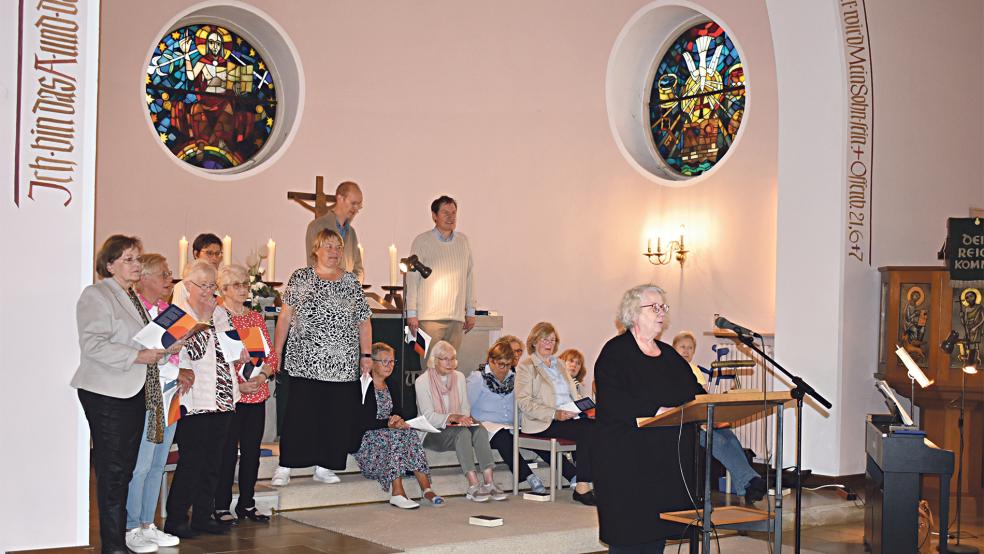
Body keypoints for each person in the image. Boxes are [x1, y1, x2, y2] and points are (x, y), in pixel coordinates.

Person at [71, 235, 174, 554]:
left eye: (138, 259)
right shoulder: (97, 294)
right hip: (106, 391)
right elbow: (93, 344)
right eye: (128, 259)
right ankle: (113, 544)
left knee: (124, 468)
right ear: (109, 264)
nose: (136, 265)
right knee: (113, 470)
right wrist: (137, 356)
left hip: (132, 389)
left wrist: (163, 347)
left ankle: (117, 540)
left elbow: (138, 340)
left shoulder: (130, 297)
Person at [593, 285, 704, 553]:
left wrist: (705, 405)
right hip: (626, 461)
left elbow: (694, 391)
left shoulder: (669, 355)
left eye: (663, 307)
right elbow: (612, 399)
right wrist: (655, 410)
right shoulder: (615, 352)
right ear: (633, 313)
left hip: (665, 463)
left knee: (657, 533)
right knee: (631, 534)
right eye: (653, 307)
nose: (661, 313)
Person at [271, 229, 372, 486]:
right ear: (316, 249)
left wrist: (366, 355)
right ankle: (286, 465)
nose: (334, 252)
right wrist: (277, 351)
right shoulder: (301, 277)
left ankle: (325, 465)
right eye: (328, 246)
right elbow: (285, 317)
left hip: (341, 364)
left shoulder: (350, 282)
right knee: (299, 415)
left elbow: (364, 321)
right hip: (305, 361)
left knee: (335, 416)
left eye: (338, 247)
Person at [163, 260, 243, 539]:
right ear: (187, 286)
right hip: (195, 399)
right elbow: (192, 353)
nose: (209, 291)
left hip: (222, 396)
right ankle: (175, 518)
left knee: (215, 460)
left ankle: (202, 514)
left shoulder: (219, 312)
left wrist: (243, 354)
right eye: (204, 285)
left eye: (213, 286)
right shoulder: (176, 314)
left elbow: (234, 350)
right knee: (192, 460)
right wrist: (204, 320)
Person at [212, 264, 279, 523]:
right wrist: (238, 385)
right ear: (224, 289)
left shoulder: (254, 317)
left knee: (252, 452)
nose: (243, 289)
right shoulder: (218, 317)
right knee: (227, 452)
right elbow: (218, 361)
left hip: (257, 393)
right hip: (232, 396)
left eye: (245, 284)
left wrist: (262, 376)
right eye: (237, 285)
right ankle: (220, 505)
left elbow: (270, 357)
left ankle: (247, 503)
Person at [124, 254, 181, 551]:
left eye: (169, 273)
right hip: (147, 391)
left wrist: (178, 349)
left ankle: (148, 522)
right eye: (162, 274)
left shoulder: (168, 310)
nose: (168, 279)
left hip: (170, 389)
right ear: (143, 278)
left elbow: (173, 353)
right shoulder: (134, 310)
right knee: (142, 463)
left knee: (159, 462)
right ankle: (132, 525)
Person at [671, 331, 766, 503]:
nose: (686, 351)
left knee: (730, 437)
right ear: (673, 349)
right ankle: (750, 482)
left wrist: (712, 419)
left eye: (690, 348)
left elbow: (705, 397)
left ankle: (747, 485)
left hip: (703, 419)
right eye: (682, 347)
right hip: (687, 424)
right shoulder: (670, 370)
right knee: (719, 441)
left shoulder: (695, 371)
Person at [354, 342, 444, 509]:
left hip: (388, 433)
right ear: (372, 362)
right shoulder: (361, 385)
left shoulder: (392, 384)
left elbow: (398, 412)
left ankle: (426, 488)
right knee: (394, 435)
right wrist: (389, 424)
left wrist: (400, 421)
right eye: (385, 361)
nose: (390, 366)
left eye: (393, 361)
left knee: (409, 433)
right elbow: (360, 421)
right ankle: (397, 492)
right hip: (367, 440)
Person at [415, 340, 505, 502]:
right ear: (434, 360)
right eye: (445, 359)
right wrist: (451, 417)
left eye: (453, 358)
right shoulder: (422, 381)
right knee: (462, 433)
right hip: (431, 432)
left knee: (480, 430)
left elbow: (465, 408)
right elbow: (428, 416)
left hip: (455, 427)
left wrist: (462, 418)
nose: (451, 363)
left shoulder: (459, 377)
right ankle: (473, 484)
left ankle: (489, 481)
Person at [515, 322, 595, 505]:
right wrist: (554, 413)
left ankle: (594, 481)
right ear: (534, 341)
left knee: (599, 427)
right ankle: (583, 486)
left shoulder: (559, 363)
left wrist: (580, 407)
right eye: (545, 339)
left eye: (553, 340)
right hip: (543, 421)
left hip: (569, 417)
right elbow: (524, 402)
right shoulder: (526, 366)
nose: (549, 343)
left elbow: (571, 392)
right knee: (588, 431)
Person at [467, 340, 548, 494]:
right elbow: (465, 406)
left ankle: (573, 475)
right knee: (504, 437)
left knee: (538, 432)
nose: (504, 369)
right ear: (491, 361)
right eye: (501, 364)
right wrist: (474, 423)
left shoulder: (515, 377)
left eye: (508, 365)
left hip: (512, 425)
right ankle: (529, 477)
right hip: (486, 428)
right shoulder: (478, 378)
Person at [406, 196, 476, 355]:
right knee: (429, 367)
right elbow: (412, 278)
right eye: (445, 213)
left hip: (456, 319)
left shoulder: (463, 241)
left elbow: (469, 277)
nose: (451, 217)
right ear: (434, 216)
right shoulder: (421, 241)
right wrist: (412, 314)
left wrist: (470, 311)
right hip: (427, 319)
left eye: (453, 213)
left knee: (450, 366)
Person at [304, 181, 365, 281]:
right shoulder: (316, 226)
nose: (356, 209)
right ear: (340, 198)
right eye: (353, 203)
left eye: (358, 205)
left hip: (348, 294)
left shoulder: (352, 232)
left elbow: (358, 268)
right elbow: (313, 265)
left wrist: (352, 287)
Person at [172, 233, 224, 307]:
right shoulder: (183, 286)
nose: (214, 258)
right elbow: (178, 315)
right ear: (196, 254)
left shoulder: (224, 284)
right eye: (209, 253)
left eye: (217, 253)